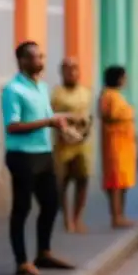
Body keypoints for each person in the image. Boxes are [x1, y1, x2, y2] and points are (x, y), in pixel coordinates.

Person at [1, 41, 74, 275]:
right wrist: (48, 122)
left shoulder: (42, 87)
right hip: (22, 156)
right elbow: (12, 126)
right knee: (22, 207)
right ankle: (21, 262)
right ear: (22, 61)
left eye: (41, 56)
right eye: (34, 57)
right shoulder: (13, 90)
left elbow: (48, 116)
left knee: (51, 203)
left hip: (44, 153)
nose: (40, 61)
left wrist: (62, 123)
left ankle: (43, 253)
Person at [50, 57, 93, 233]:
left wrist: (86, 129)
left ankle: (78, 218)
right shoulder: (57, 94)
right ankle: (67, 220)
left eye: (75, 68)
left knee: (83, 180)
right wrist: (69, 119)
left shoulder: (85, 92)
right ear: (62, 72)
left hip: (82, 144)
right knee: (62, 182)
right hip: (63, 144)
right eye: (68, 69)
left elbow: (89, 116)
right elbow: (53, 115)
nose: (72, 72)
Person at [98, 65, 137, 228]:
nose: (125, 80)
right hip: (115, 144)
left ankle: (121, 214)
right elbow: (111, 116)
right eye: (124, 77)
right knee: (115, 181)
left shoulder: (115, 95)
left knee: (123, 181)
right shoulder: (108, 95)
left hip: (124, 144)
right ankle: (116, 216)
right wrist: (128, 114)